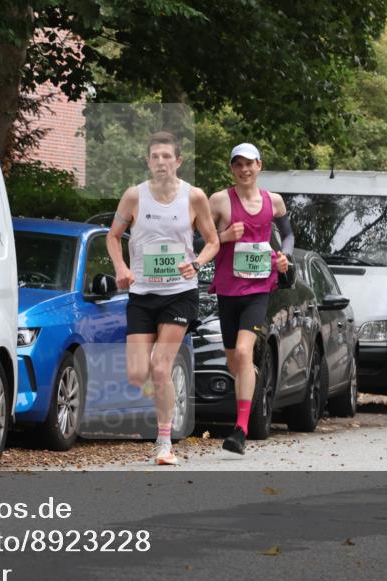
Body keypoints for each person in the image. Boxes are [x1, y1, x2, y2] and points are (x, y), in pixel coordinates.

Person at [106, 131, 219, 465]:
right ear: (147, 161)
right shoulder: (133, 196)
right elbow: (113, 237)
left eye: (167, 156)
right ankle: (164, 393)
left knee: (160, 365)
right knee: (137, 374)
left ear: (178, 161)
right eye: (154, 157)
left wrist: (196, 263)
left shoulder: (194, 197)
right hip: (141, 293)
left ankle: (164, 441)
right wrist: (121, 268)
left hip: (178, 294)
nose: (160, 162)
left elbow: (213, 241)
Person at [208, 143, 294, 455]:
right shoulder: (219, 201)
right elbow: (196, 241)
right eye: (238, 165)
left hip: (259, 290)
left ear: (259, 165)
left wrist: (285, 257)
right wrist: (224, 237)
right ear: (232, 169)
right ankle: (250, 378)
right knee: (236, 361)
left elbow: (288, 236)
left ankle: (240, 430)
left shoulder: (274, 201)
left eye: (250, 164)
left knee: (244, 353)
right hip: (227, 291)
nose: (245, 170)